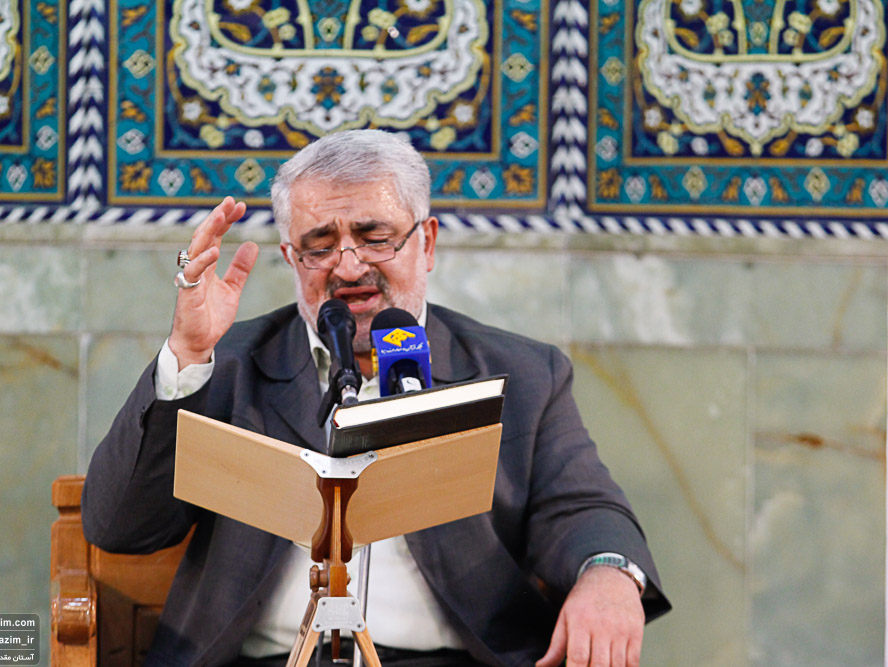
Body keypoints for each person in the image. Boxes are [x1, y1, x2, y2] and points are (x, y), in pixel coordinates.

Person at [82, 130, 670, 667]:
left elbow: (582, 508)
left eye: (375, 238)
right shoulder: (227, 366)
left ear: (426, 242)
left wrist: (608, 574)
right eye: (319, 245)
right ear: (291, 259)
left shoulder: (523, 374)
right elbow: (118, 529)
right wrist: (186, 356)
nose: (348, 267)